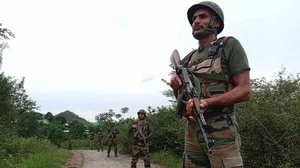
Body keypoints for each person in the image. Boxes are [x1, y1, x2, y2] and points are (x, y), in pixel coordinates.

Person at [170, 1, 251, 167]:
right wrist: (175, 87)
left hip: (222, 133)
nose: (196, 21)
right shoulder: (187, 59)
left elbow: (244, 90)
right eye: (194, 18)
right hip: (192, 135)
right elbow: (183, 102)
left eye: (202, 16)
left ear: (216, 22)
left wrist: (207, 102)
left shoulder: (228, 45)